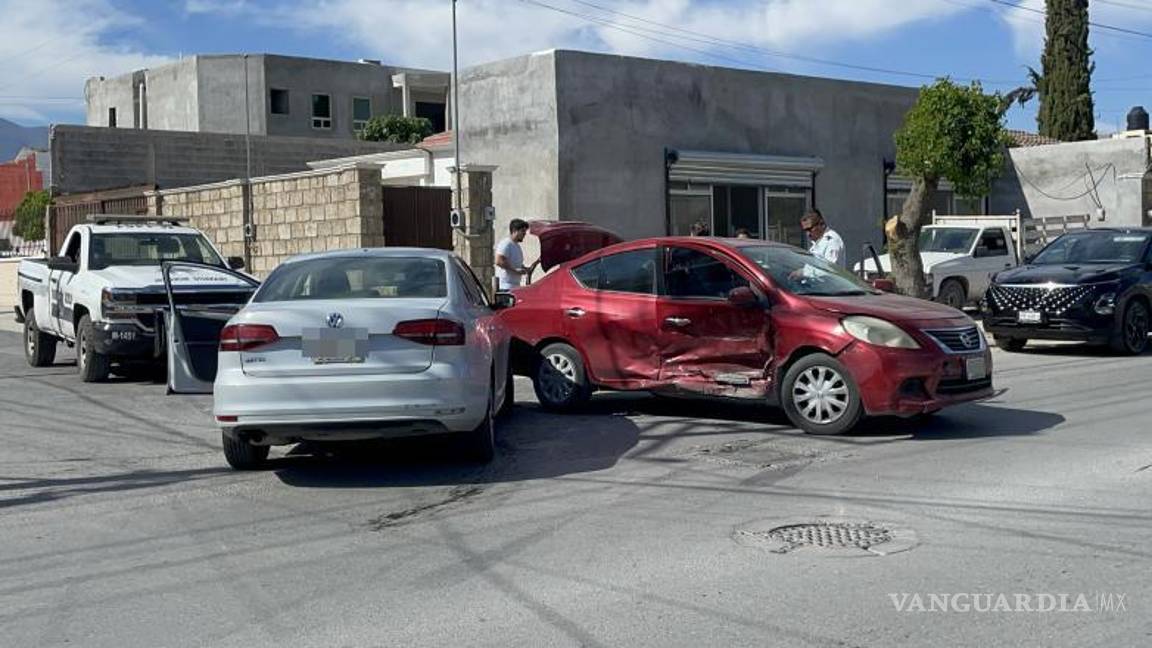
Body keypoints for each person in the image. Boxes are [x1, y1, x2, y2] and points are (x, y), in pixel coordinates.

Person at [495, 219, 531, 290]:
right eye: (522, 231)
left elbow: (516, 263)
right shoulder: (506, 244)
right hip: (505, 287)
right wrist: (515, 270)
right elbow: (499, 261)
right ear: (514, 231)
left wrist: (524, 269)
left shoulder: (517, 246)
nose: (524, 234)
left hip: (515, 286)